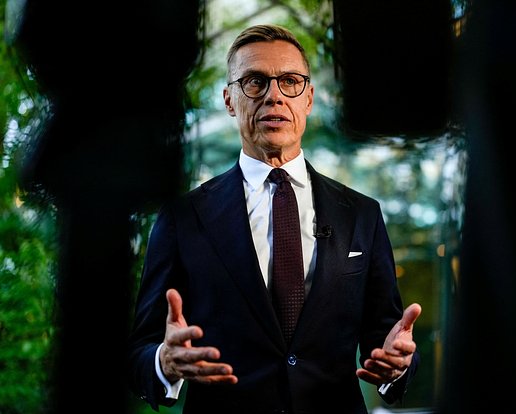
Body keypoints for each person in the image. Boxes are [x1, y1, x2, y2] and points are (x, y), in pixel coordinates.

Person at [127, 23, 422, 414]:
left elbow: (388, 338)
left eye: (290, 82)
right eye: (254, 82)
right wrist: (164, 362)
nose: (274, 95)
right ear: (229, 100)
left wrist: (398, 364)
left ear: (308, 99)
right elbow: (141, 350)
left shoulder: (362, 214)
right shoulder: (182, 217)